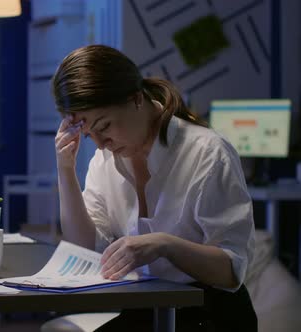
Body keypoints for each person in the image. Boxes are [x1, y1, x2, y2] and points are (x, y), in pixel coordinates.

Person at [52, 44, 257, 331]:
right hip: (149, 311)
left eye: (105, 125)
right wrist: (65, 170)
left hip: (210, 314)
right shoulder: (105, 160)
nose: (100, 143)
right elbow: (83, 249)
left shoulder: (207, 152)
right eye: (88, 135)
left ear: (137, 99)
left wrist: (164, 245)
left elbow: (230, 271)